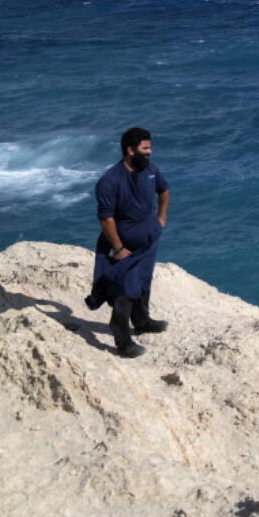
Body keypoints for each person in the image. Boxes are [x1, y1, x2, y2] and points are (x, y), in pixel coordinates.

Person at [86, 127, 171, 358]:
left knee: (143, 280)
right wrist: (118, 247)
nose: (150, 152)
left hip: (148, 240)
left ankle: (142, 321)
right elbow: (105, 217)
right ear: (130, 150)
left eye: (150, 147)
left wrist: (161, 218)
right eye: (145, 148)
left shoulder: (151, 170)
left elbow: (164, 190)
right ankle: (122, 340)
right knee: (125, 288)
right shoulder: (109, 181)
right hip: (123, 245)